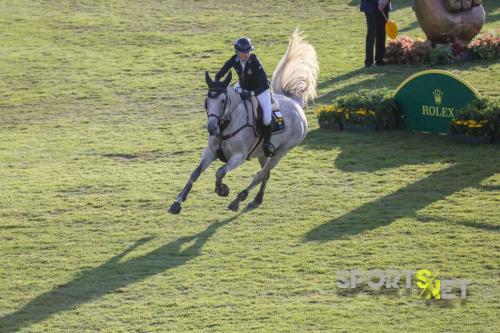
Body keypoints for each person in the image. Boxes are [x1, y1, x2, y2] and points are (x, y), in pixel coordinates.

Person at [215, 37, 275, 157]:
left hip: (260, 89)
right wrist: (217, 83)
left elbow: (264, 82)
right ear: (237, 52)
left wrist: (252, 93)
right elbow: (220, 73)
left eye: (248, 51)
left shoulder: (255, 61)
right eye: (243, 52)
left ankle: (267, 143)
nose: (246, 54)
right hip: (244, 87)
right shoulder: (234, 60)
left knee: (267, 117)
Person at [360, 0, 391, 68]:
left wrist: (385, 1)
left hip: (384, 5)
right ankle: (368, 62)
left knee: (382, 33)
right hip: (370, 5)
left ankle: (380, 60)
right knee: (371, 33)